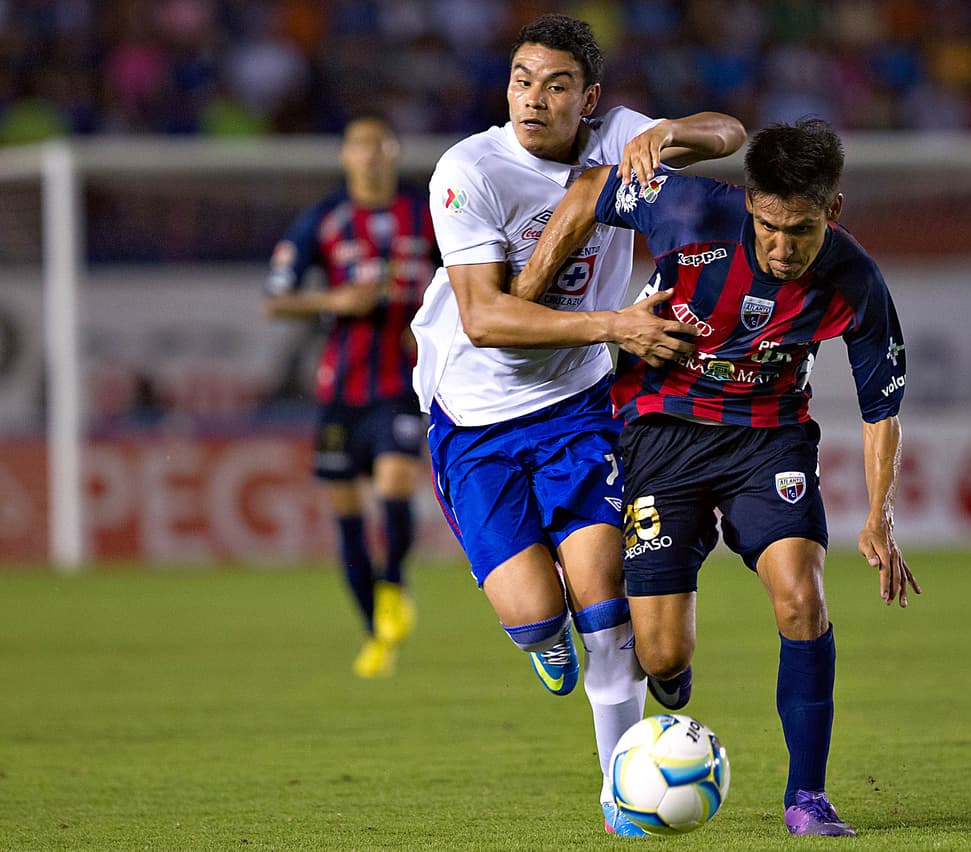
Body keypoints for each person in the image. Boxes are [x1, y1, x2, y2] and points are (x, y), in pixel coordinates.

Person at [514, 118, 921, 837]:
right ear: (749, 202)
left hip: (768, 441)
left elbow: (880, 407)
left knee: (802, 599)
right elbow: (587, 191)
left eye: (801, 230)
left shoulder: (855, 278)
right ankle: (670, 673)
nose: (782, 247)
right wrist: (526, 294)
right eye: (768, 226)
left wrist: (879, 516)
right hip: (663, 433)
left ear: (832, 210)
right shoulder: (689, 208)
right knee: (661, 653)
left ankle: (807, 797)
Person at [409, 13, 745, 837]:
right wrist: (614, 327)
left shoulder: (618, 138)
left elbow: (731, 134)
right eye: (522, 81)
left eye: (556, 86)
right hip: (476, 419)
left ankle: (620, 799)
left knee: (606, 616)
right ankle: (538, 636)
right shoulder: (469, 170)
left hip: (578, 411)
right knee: (536, 615)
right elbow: (486, 319)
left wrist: (669, 134)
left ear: (587, 100)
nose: (534, 99)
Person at [264, 113, 435, 678]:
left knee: (395, 485)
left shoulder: (426, 215)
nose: (370, 154)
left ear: (395, 153)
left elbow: (468, 278)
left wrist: (434, 324)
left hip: (400, 383)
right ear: (344, 155)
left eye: (380, 145)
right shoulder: (325, 219)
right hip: (340, 390)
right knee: (347, 516)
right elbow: (275, 298)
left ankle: (394, 583)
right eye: (360, 145)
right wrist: (333, 302)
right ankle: (374, 632)